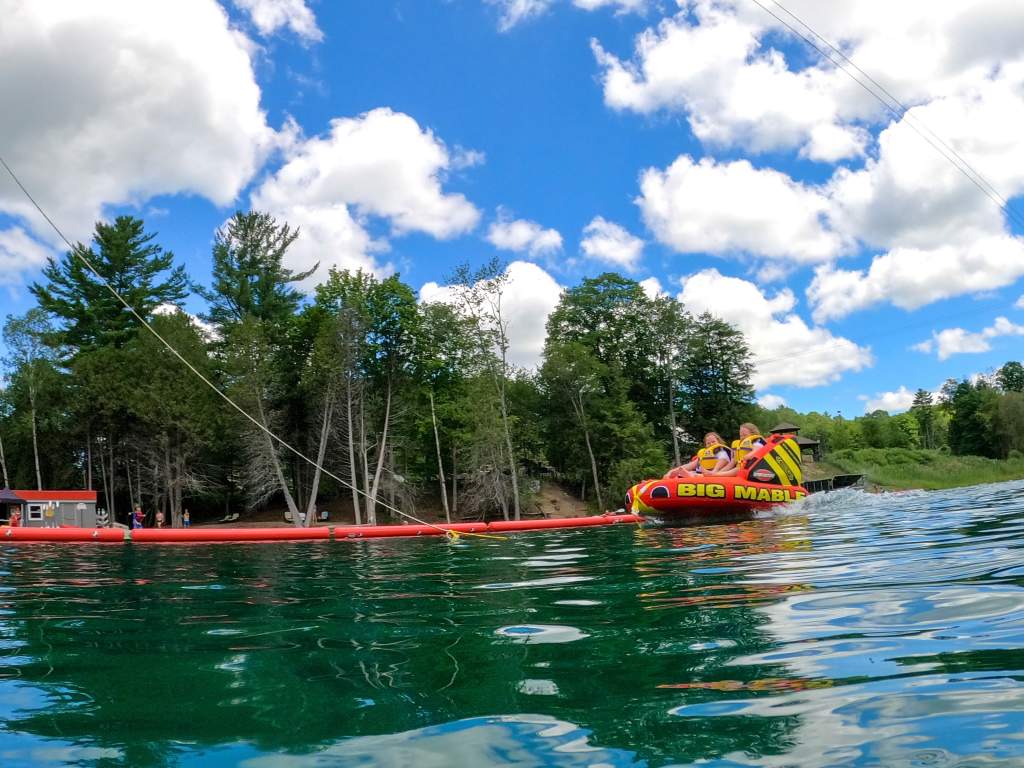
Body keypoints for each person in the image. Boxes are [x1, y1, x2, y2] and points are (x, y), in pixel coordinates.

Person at [665, 432, 733, 478]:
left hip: (713, 474)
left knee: (694, 474)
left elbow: (723, 460)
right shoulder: (704, 455)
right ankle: (686, 475)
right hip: (700, 474)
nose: (711, 444)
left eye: (713, 442)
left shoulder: (722, 452)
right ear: (705, 445)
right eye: (708, 443)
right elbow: (688, 466)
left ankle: (692, 476)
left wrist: (713, 472)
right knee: (685, 472)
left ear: (719, 442)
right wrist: (670, 471)